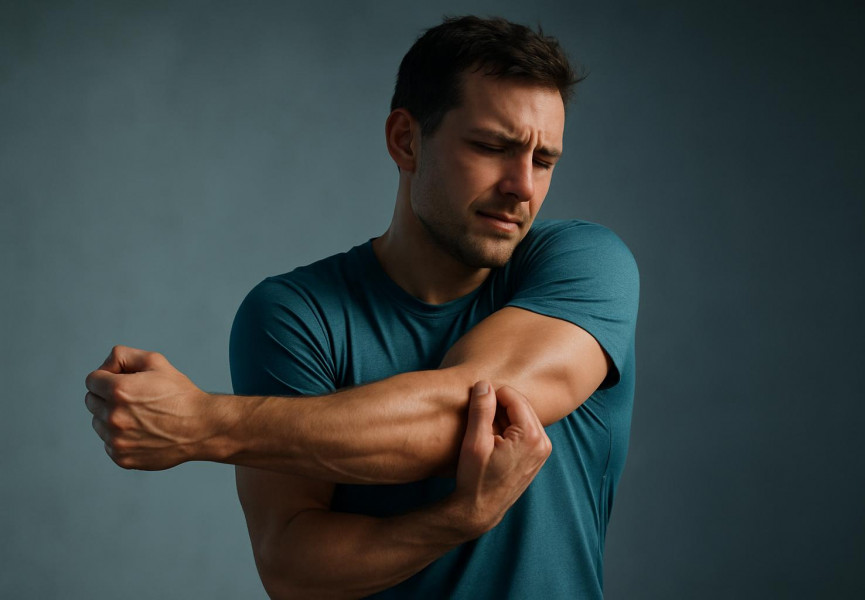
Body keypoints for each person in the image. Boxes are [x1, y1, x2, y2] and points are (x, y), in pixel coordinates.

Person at [84, 15, 639, 599]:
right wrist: (457, 520)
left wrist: (203, 424)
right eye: (491, 147)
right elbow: (292, 568)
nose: (523, 186)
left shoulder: (585, 264)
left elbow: (466, 411)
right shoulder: (295, 314)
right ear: (405, 139)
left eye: (544, 160)